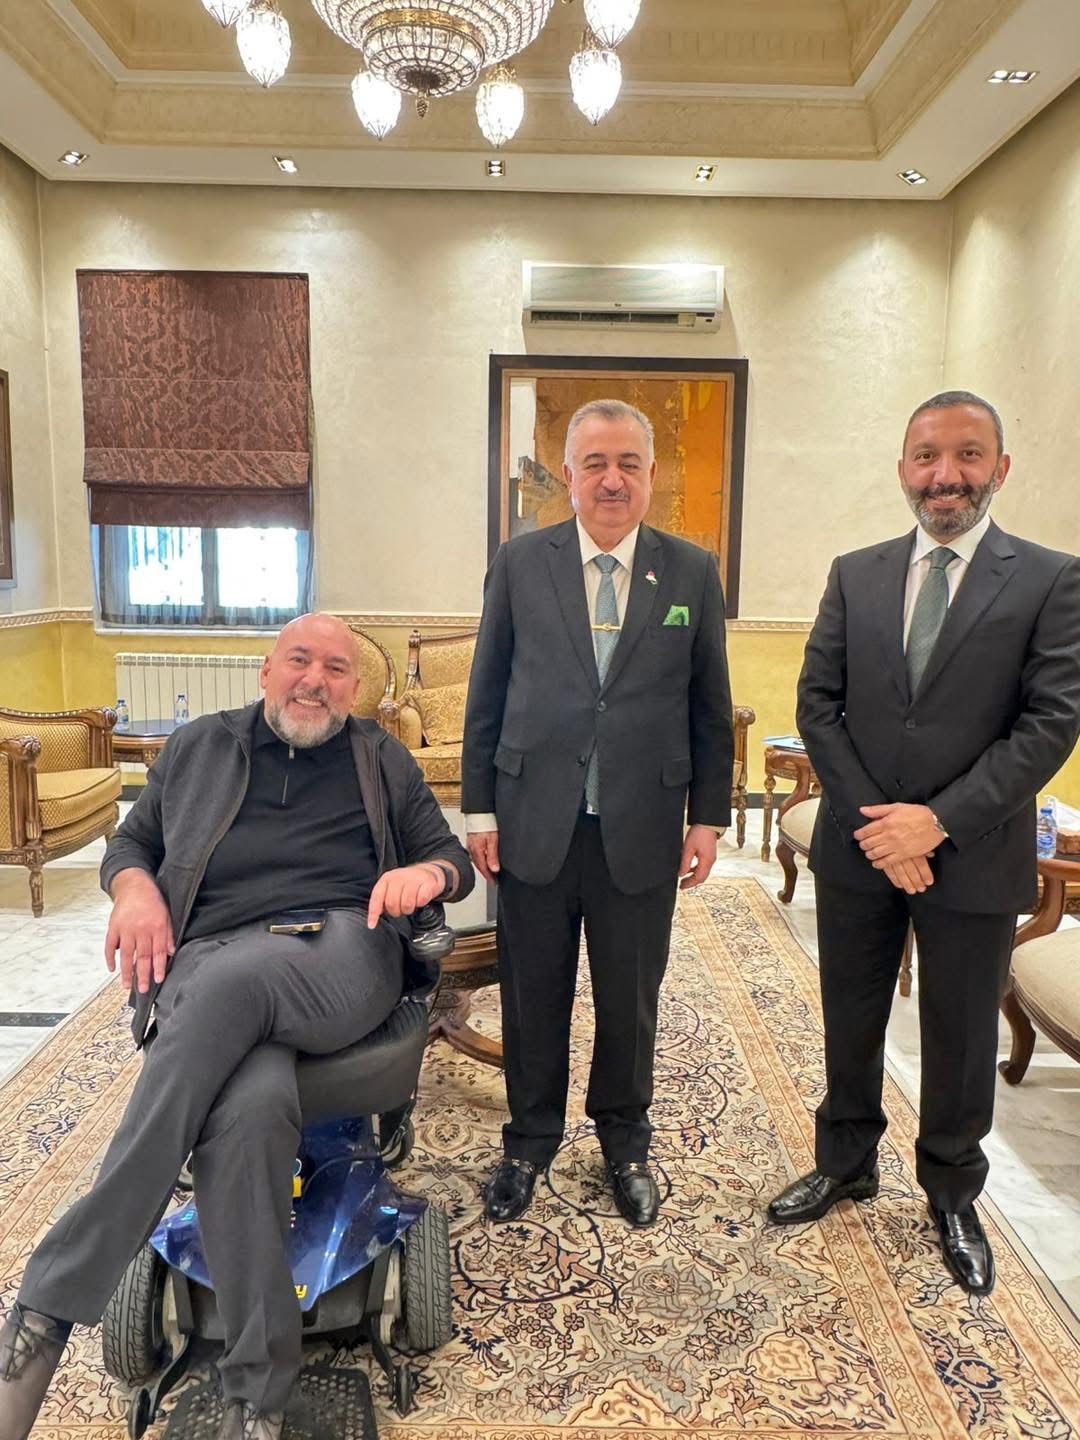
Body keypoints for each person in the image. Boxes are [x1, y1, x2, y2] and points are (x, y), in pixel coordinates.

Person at [0, 612, 474, 1440]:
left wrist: (422, 875)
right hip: (214, 951)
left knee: (226, 985)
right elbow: (132, 845)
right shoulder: (198, 747)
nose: (314, 680)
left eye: (335, 669)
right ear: (266, 670)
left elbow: (451, 859)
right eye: (300, 661)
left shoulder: (378, 757)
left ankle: (48, 1301)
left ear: (353, 688)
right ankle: (257, 1396)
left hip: (339, 950)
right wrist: (134, 892)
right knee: (249, 1107)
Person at [767, 391, 1080, 1294]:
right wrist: (882, 827)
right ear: (903, 468)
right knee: (851, 1012)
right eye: (928, 456)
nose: (947, 475)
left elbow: (1049, 724)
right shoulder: (855, 572)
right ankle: (845, 1162)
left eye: (968, 455)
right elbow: (817, 706)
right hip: (861, 849)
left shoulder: (1051, 580)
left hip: (974, 853)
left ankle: (951, 1193)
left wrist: (935, 822)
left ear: (1000, 468)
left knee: (960, 1032)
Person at [462, 398, 734, 1228]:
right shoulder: (520, 562)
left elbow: (709, 706)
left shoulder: (690, 571)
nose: (612, 480)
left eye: (628, 464)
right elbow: (487, 691)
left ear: (652, 475)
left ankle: (625, 1142)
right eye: (595, 464)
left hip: (642, 825)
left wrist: (708, 817)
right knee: (532, 993)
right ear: (569, 476)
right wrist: (479, 809)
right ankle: (528, 1141)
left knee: (630, 998)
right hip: (533, 819)